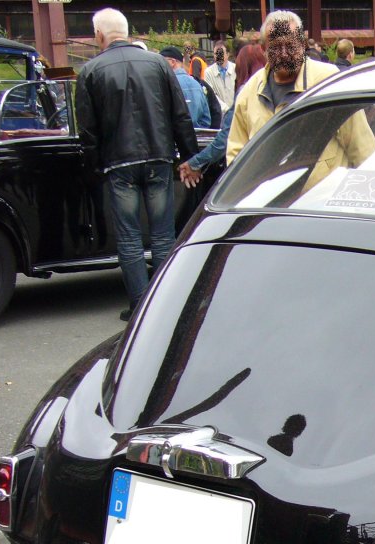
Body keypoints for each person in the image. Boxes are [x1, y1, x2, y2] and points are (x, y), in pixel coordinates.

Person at [75, 8, 198, 321]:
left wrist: (92, 168)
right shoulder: (158, 63)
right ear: (126, 31)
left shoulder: (90, 71)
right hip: (159, 155)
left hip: (119, 162)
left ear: (99, 35)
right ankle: (165, 302)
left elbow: (87, 130)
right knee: (163, 235)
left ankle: (140, 307)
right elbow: (179, 115)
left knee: (129, 237)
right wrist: (190, 157)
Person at [226, 10, 340, 163]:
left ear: (302, 44)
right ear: (264, 50)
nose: (284, 53)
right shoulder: (250, 91)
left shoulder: (329, 80)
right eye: (276, 47)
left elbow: (360, 144)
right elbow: (236, 154)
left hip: (323, 186)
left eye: (290, 45)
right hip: (268, 186)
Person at [160, 46, 211, 129]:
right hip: (198, 138)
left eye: (162, 62)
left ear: (173, 62)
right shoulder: (197, 84)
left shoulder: (165, 84)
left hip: (174, 139)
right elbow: (206, 119)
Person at [204, 42, 236, 111]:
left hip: (236, 113)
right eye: (216, 54)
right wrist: (226, 110)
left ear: (227, 54)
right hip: (219, 114)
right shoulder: (208, 72)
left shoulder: (236, 68)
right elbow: (211, 95)